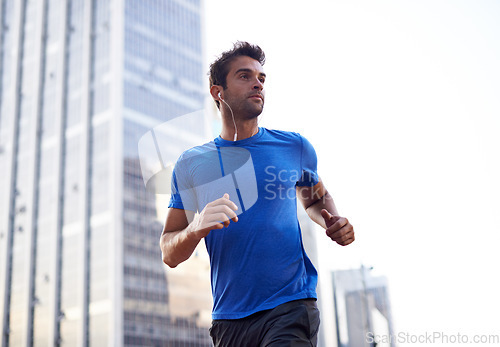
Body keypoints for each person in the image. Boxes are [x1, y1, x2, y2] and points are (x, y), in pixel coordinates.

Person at [159, 41, 355, 347]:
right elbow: (169, 252)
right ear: (218, 92)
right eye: (244, 76)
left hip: (290, 306)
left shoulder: (294, 147)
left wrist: (333, 221)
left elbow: (315, 197)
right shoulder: (191, 164)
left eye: (261, 78)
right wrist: (196, 229)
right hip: (228, 319)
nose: (257, 84)